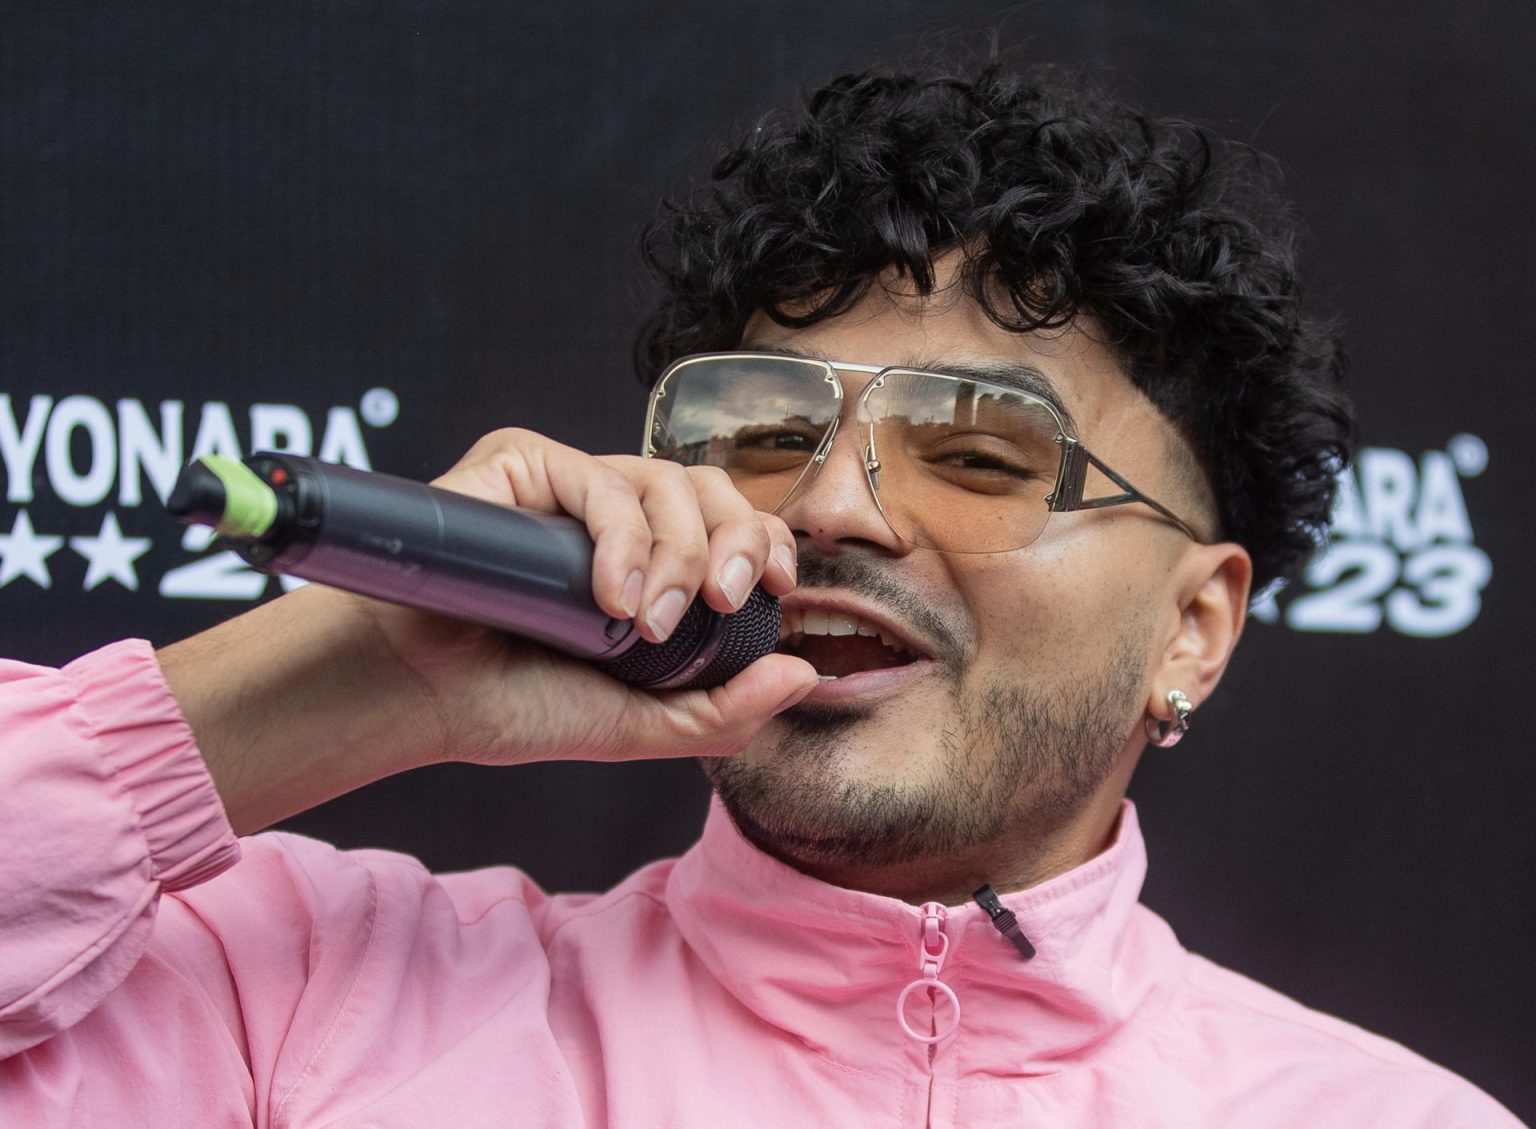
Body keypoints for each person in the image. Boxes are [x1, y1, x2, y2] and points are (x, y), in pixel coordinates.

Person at [0, 62, 1521, 1126]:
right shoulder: (297, 1000)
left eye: (982, 451)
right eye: (767, 432)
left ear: (1192, 628)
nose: (832, 505)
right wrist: (356, 681)